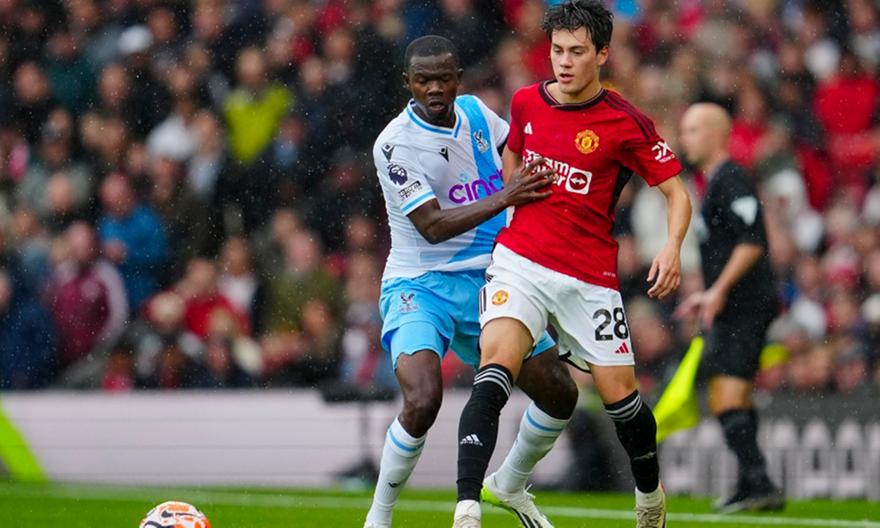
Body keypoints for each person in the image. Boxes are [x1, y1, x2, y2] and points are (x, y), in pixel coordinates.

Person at [453, 3, 693, 527]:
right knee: (494, 367)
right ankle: (467, 507)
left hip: (589, 278)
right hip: (520, 262)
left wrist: (672, 247)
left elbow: (677, 193)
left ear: (602, 54)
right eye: (557, 51)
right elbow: (513, 156)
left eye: (576, 52)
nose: (563, 62)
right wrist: (512, 202)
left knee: (621, 399)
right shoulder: (525, 101)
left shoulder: (625, 122)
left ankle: (649, 498)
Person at [364, 36, 578, 528]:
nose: (434, 89)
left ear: (458, 78)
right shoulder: (394, 144)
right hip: (421, 284)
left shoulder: (478, 114)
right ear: (408, 83)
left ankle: (509, 482)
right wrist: (507, 197)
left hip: (492, 279)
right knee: (423, 399)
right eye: (423, 80)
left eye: (443, 78)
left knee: (560, 394)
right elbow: (432, 226)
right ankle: (379, 517)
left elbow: (520, 155)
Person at [676, 102, 785, 513]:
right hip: (735, 305)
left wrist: (718, 290)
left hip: (745, 305)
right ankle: (751, 483)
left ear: (715, 133)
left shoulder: (731, 178)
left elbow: (753, 240)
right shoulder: (714, 182)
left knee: (726, 394)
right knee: (729, 392)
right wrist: (707, 293)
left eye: (692, 130)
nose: (684, 139)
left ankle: (759, 482)